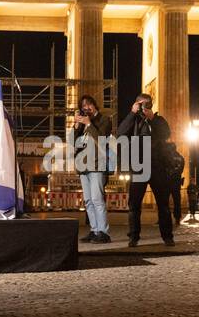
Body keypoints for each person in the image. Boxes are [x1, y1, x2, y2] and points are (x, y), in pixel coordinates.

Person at [116, 93, 174, 246]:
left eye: (147, 104)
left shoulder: (158, 120)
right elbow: (120, 133)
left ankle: (167, 236)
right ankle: (133, 237)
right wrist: (132, 113)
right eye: (141, 104)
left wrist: (152, 119)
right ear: (136, 104)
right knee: (134, 205)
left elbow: (166, 134)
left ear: (151, 105)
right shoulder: (133, 120)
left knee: (163, 204)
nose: (144, 107)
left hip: (157, 166)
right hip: (138, 166)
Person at [73, 94, 113, 243]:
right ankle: (94, 230)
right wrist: (76, 127)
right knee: (88, 201)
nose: (86, 108)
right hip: (83, 166)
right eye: (83, 106)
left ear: (95, 105)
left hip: (97, 165)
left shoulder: (104, 120)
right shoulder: (82, 123)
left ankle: (104, 232)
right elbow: (73, 143)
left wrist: (89, 124)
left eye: (88, 105)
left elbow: (101, 140)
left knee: (97, 199)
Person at [166, 141, 185, 224]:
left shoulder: (167, 157)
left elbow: (165, 168)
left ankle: (164, 218)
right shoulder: (181, 158)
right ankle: (177, 217)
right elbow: (181, 170)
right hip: (177, 182)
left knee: (164, 200)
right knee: (177, 200)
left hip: (168, 181)